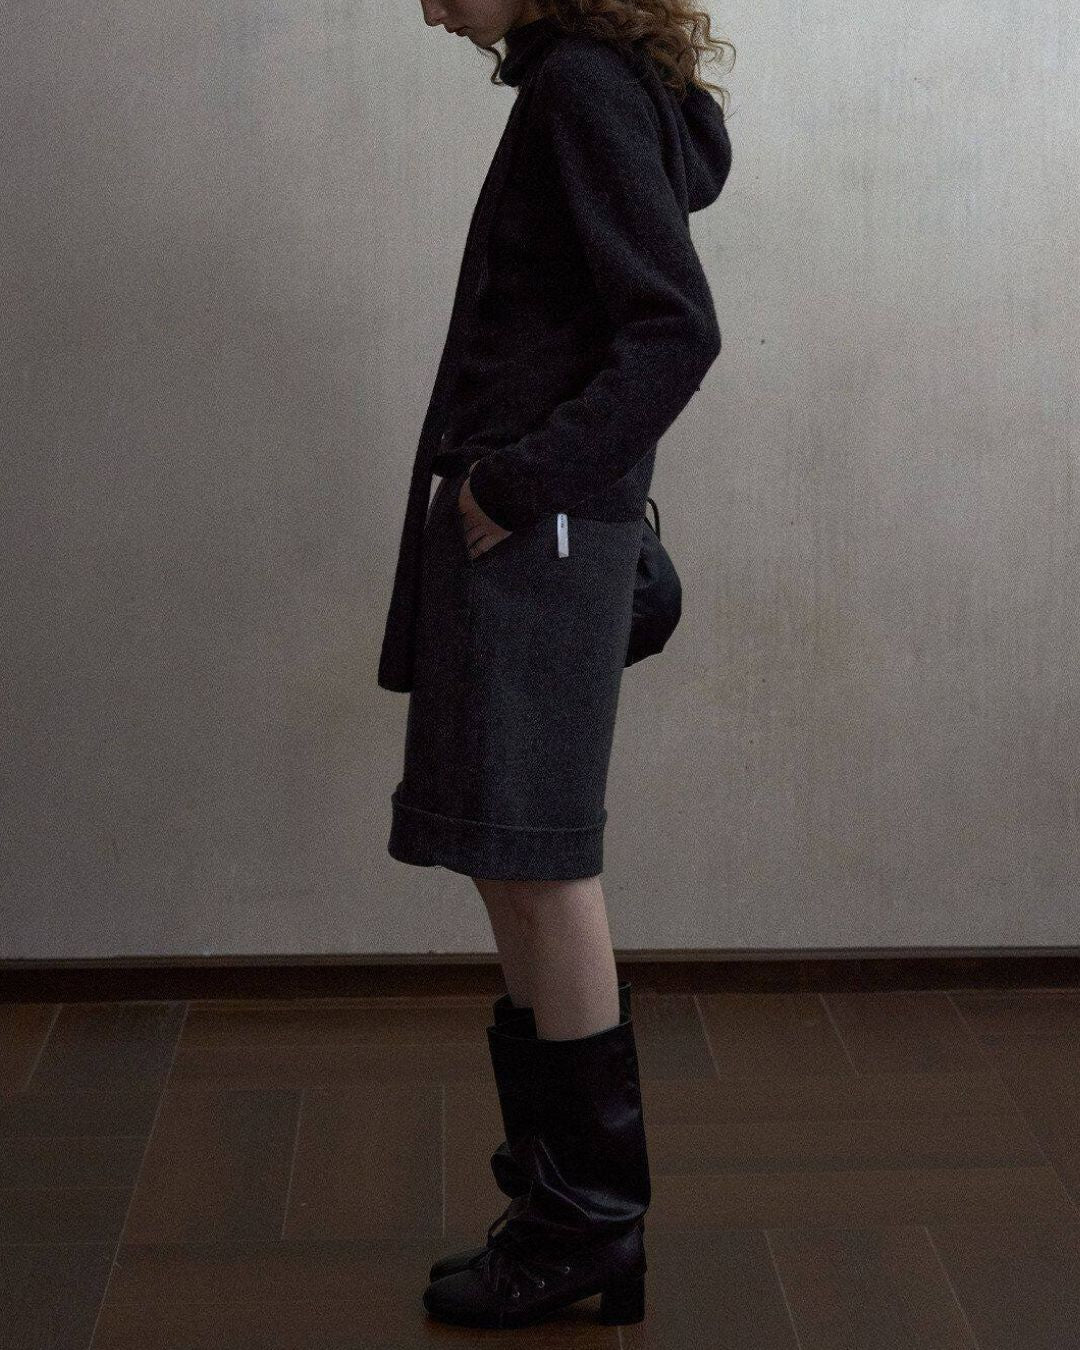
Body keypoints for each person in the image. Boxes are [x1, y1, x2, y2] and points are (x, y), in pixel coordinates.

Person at [386, 0, 734, 1330]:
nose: (426, 4)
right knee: (511, 853)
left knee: (541, 859)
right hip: (533, 533)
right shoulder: (582, 84)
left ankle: (588, 1221)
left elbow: (675, 330)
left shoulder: (583, 87)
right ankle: (560, 1203)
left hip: (542, 531)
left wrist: (516, 483)